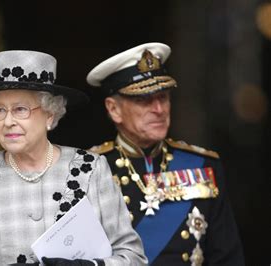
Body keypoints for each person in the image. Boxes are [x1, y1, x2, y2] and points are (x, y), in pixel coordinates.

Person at [0, 50, 147, 266]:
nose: (8, 121)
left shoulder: (91, 169)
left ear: (49, 115)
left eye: (20, 109)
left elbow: (133, 257)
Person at [86, 43, 245, 265]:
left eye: (163, 97)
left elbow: (227, 258)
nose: (159, 110)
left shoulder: (202, 165)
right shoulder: (88, 170)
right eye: (143, 100)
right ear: (114, 109)